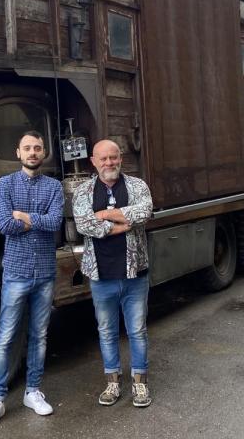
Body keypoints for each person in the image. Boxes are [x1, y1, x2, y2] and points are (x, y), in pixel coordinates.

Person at [0, 131, 64, 429]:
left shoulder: (54, 186)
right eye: (27, 148)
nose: (32, 152)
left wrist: (26, 217)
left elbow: (55, 223)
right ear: (18, 152)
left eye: (37, 148)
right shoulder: (5, 185)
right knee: (5, 336)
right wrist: (36, 219)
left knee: (39, 336)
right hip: (15, 271)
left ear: (44, 153)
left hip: (44, 272)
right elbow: (4, 224)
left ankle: (32, 391)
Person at [72, 139, 154, 408]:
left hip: (135, 273)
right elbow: (84, 224)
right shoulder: (83, 191)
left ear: (121, 159)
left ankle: (139, 383)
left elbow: (145, 211)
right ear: (93, 162)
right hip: (101, 275)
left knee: (137, 331)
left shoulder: (137, 186)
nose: (109, 163)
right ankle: (113, 383)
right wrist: (122, 224)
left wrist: (105, 214)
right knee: (106, 331)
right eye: (103, 159)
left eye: (114, 157)